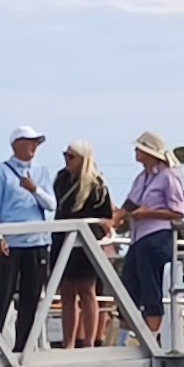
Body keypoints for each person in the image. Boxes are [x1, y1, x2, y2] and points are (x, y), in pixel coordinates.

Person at [0, 122, 57, 353]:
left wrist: (35, 189)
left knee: (31, 297)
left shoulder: (42, 171)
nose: (34, 147)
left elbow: (51, 204)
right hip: (11, 243)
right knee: (1, 295)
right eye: (29, 142)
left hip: (37, 242)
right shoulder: (1, 171)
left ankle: (23, 347)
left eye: (36, 143)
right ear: (16, 144)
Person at [116, 133, 184, 339]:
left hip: (157, 237)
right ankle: (128, 336)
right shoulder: (142, 178)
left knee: (150, 286)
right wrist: (115, 218)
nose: (136, 151)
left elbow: (178, 211)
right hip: (139, 238)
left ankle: (152, 336)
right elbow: (131, 203)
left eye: (140, 149)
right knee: (128, 284)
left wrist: (148, 213)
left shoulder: (168, 177)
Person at [50, 140, 114, 347]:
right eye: (65, 155)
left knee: (87, 290)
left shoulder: (97, 185)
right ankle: (68, 342)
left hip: (86, 242)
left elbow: (105, 216)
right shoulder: (61, 179)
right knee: (66, 290)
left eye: (71, 157)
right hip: (63, 238)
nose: (67, 160)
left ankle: (89, 342)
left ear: (83, 159)